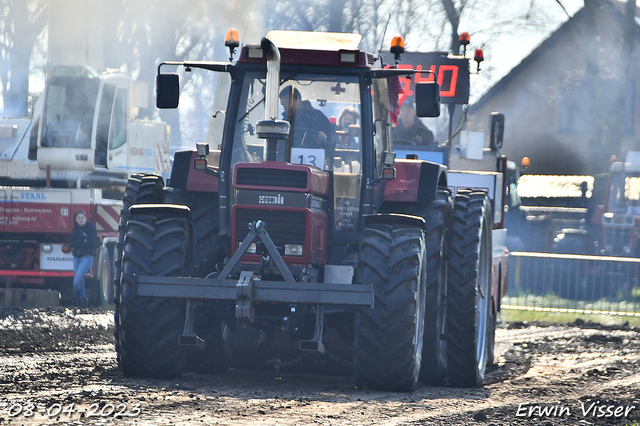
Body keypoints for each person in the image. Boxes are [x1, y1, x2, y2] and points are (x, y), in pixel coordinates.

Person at [69, 210, 97, 308]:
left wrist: (80, 243)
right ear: (76, 219)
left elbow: (92, 242)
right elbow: (72, 242)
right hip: (76, 257)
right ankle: (82, 303)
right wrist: (82, 241)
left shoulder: (90, 228)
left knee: (76, 281)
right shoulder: (75, 229)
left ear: (85, 218)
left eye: (82, 218)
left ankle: (74, 300)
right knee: (80, 281)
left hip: (87, 257)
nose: (80, 220)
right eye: (78, 218)